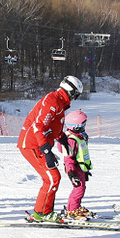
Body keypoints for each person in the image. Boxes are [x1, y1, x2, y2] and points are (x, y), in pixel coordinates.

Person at [16, 75, 83, 222]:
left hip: (39, 145)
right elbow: (38, 126)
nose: (74, 99)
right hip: (32, 145)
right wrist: (47, 151)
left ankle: (44, 212)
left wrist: (62, 138)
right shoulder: (52, 101)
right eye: (75, 95)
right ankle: (42, 213)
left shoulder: (59, 102)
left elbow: (53, 126)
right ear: (70, 91)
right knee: (52, 178)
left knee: (53, 178)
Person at [60, 109, 95, 220]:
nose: (85, 126)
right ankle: (72, 211)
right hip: (74, 169)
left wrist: (85, 171)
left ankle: (74, 209)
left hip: (80, 168)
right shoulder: (71, 140)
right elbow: (68, 159)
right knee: (78, 189)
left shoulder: (80, 136)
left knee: (81, 188)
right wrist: (71, 173)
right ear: (76, 126)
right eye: (83, 124)